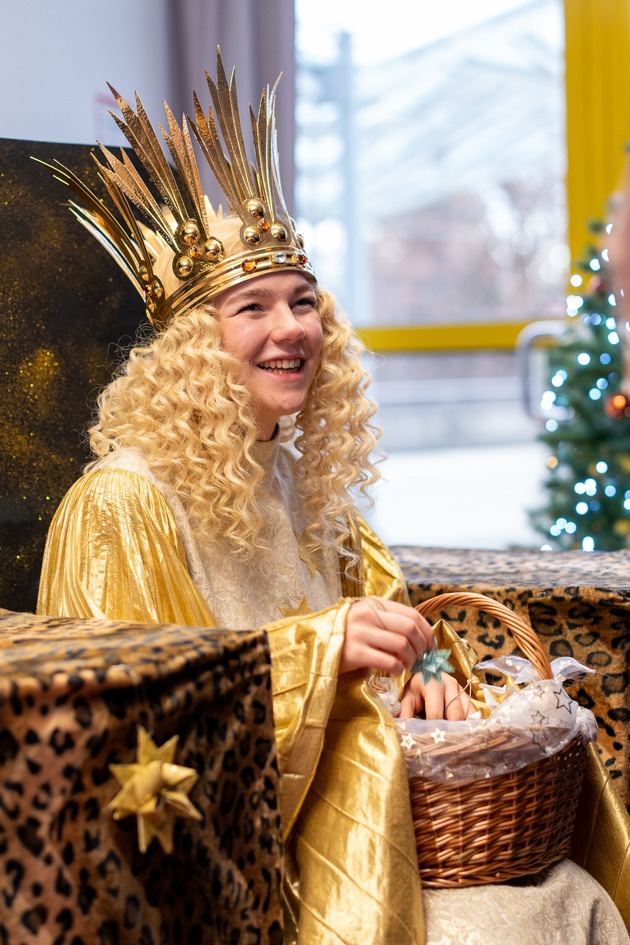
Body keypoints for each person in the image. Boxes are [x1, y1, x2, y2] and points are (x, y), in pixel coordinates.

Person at [37, 52, 630, 945]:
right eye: (254, 309)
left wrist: (428, 671)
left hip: (370, 824)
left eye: (304, 302)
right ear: (194, 349)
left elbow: (403, 631)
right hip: (244, 869)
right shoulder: (121, 508)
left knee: (565, 890)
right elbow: (119, 729)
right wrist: (317, 650)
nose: (292, 330)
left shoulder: (304, 488)